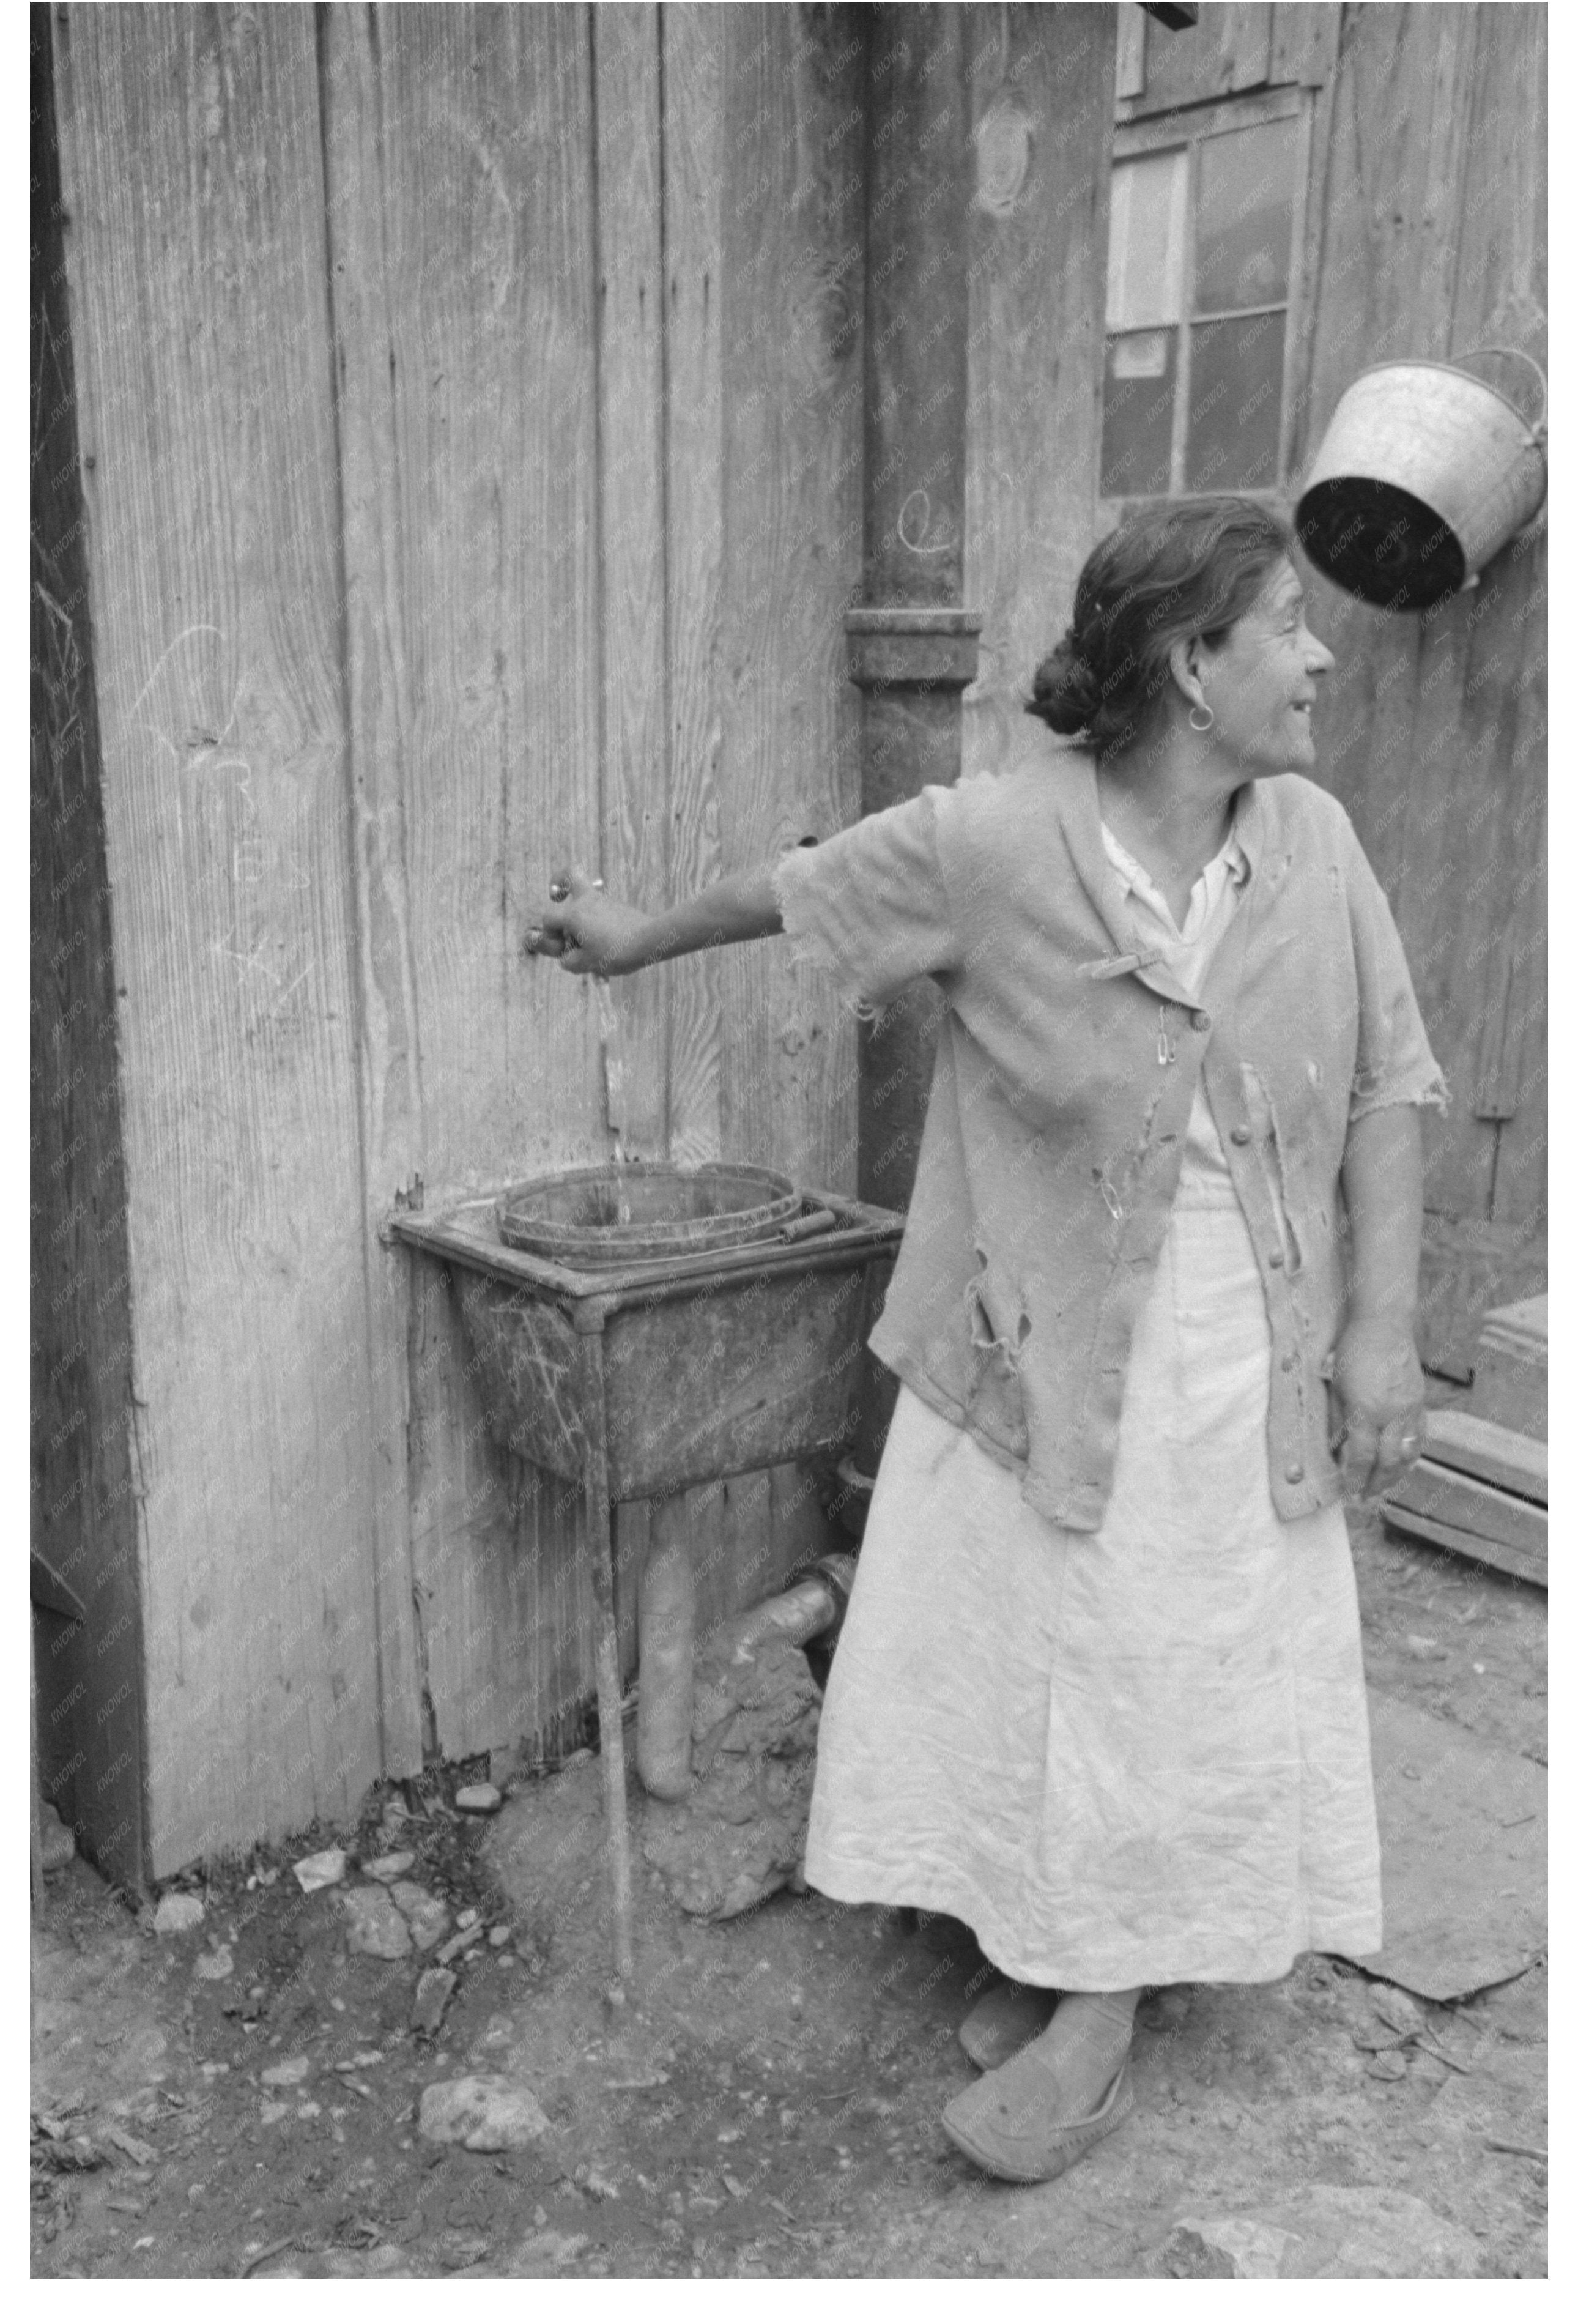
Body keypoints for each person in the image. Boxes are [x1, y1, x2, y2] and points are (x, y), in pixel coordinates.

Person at [525, 497, 1445, 2185]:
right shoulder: (994, 844)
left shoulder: (1311, 842)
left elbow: (1389, 1084)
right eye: (1286, 626)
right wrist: (635, 933)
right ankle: (1062, 1947)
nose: (1318, 655)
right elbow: (796, 891)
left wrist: (1381, 1332)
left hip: (1239, 1360)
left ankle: (1096, 2009)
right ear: (1189, 662)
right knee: (1048, 1666)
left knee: (1172, 1672)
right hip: (1035, 1347)